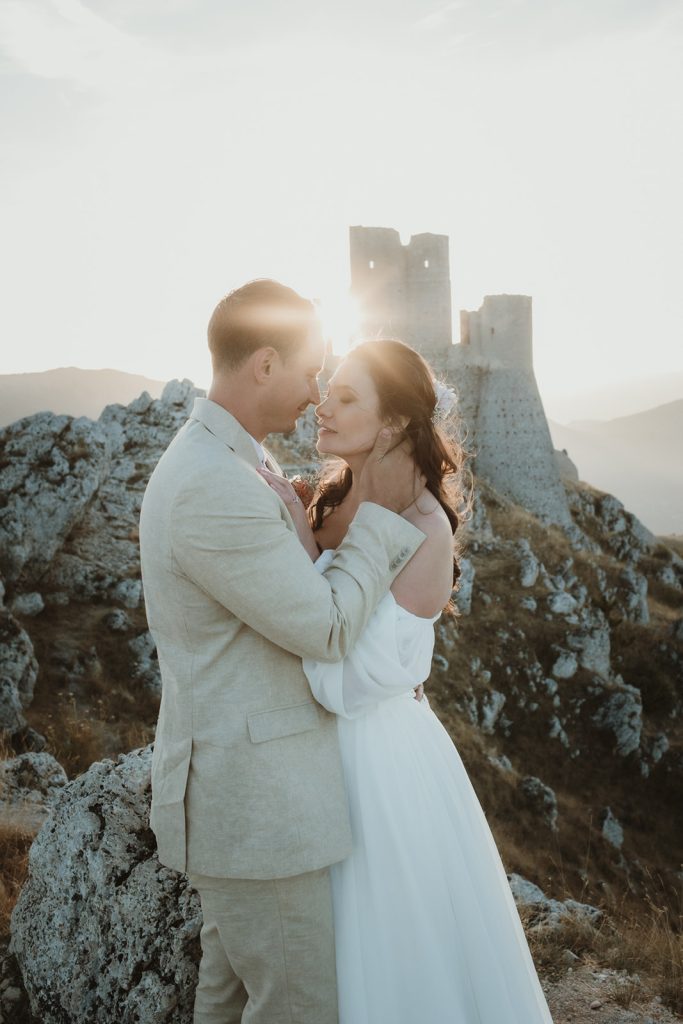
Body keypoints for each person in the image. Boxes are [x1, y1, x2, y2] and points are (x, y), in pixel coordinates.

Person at [138, 281, 428, 1024]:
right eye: (310, 371)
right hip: (257, 806)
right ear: (264, 363)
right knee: (295, 1006)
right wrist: (383, 517)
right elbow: (326, 629)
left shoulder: (234, 461)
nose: (315, 394)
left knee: (230, 996)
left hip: (246, 797)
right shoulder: (212, 483)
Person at [259, 338, 555, 1023]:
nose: (321, 404)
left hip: (376, 767)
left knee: (389, 953)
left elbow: (348, 682)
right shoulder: (332, 496)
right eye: (326, 389)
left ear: (392, 422)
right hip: (317, 759)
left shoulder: (425, 531)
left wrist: (298, 568)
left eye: (346, 397)